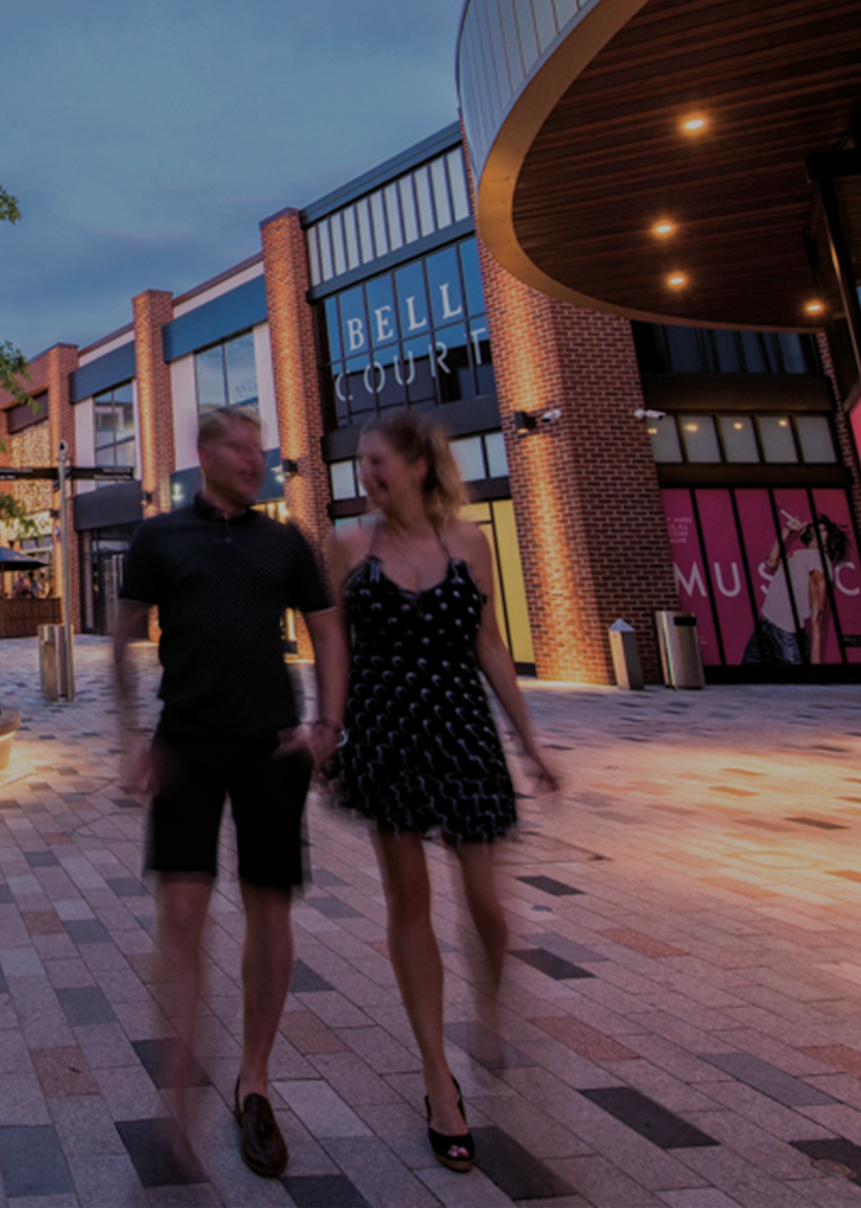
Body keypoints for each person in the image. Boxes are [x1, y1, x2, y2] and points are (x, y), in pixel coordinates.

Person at [111, 405, 346, 1179]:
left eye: (259, 448)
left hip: (271, 745)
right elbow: (122, 637)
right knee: (181, 911)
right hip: (186, 744)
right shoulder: (157, 537)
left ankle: (255, 1080)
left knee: (268, 907)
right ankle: (177, 1091)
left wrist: (328, 725)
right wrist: (129, 737)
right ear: (204, 454)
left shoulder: (284, 541)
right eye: (240, 448)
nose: (255, 459)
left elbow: (327, 630)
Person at [327, 410, 560, 1174]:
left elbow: (488, 642)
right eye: (361, 463)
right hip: (388, 732)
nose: (367, 474)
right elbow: (328, 645)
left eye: (378, 462)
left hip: (461, 730)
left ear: (419, 466)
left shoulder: (469, 542)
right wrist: (326, 726)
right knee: (410, 905)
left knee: (487, 907)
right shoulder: (349, 546)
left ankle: (489, 1009)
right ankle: (438, 1078)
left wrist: (530, 743)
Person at [745, 512, 848, 666]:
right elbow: (770, 562)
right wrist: (787, 529)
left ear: (827, 540)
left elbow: (817, 614)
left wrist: (815, 662)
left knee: (795, 685)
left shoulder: (819, 561)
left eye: (818, 528)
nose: (809, 526)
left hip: (784, 632)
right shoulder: (800, 555)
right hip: (766, 623)